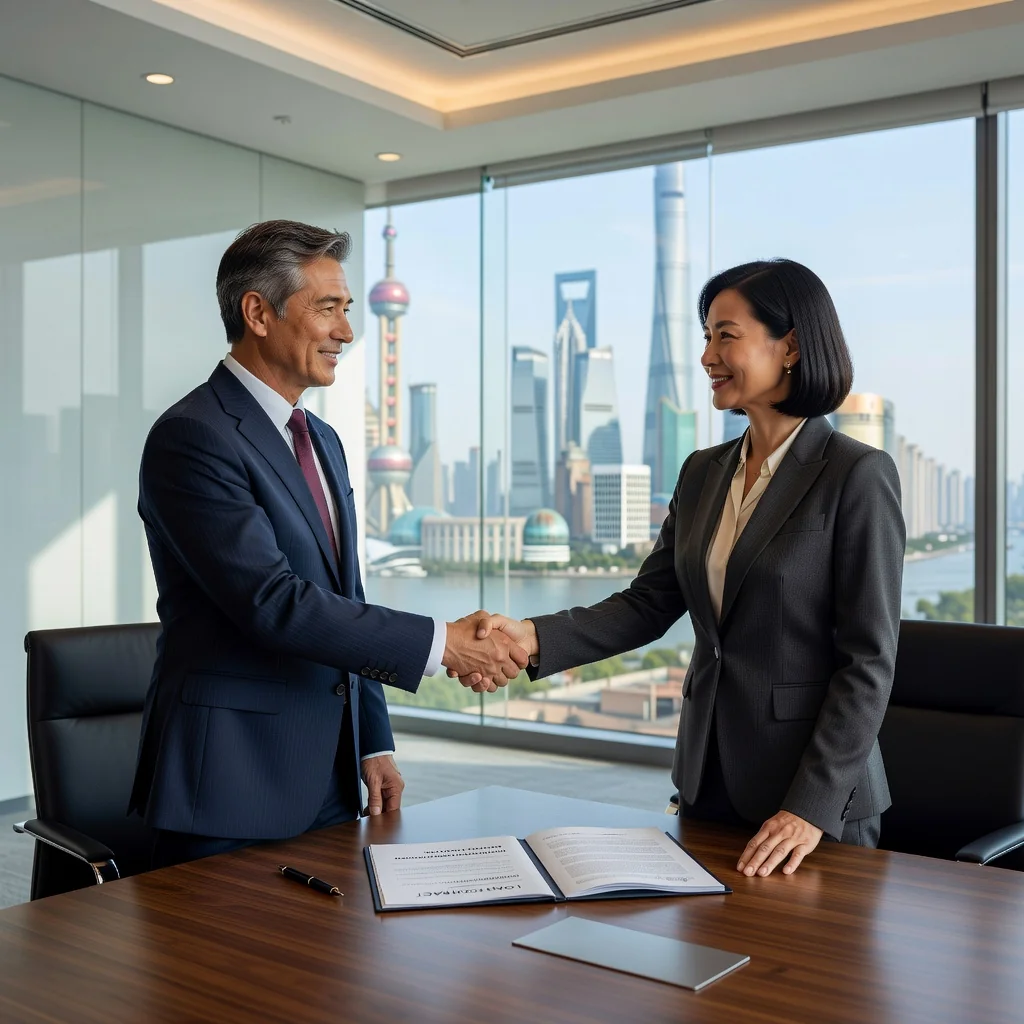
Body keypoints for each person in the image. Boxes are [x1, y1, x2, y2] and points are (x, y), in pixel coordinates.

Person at [459, 259, 905, 877]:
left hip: (812, 808)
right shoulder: (703, 471)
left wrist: (810, 807)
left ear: (792, 346)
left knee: (805, 975)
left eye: (726, 335)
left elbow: (868, 662)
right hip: (708, 781)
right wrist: (528, 638)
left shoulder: (856, 473)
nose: (706, 357)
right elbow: (649, 603)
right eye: (705, 337)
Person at [130, 220, 526, 868]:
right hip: (230, 786)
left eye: (347, 309)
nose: (346, 330)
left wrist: (372, 740)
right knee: (225, 974)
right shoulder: (194, 437)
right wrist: (443, 643)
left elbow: (346, 596)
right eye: (328, 309)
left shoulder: (323, 440)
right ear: (258, 313)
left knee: (331, 970)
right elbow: (272, 602)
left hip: (332, 781)